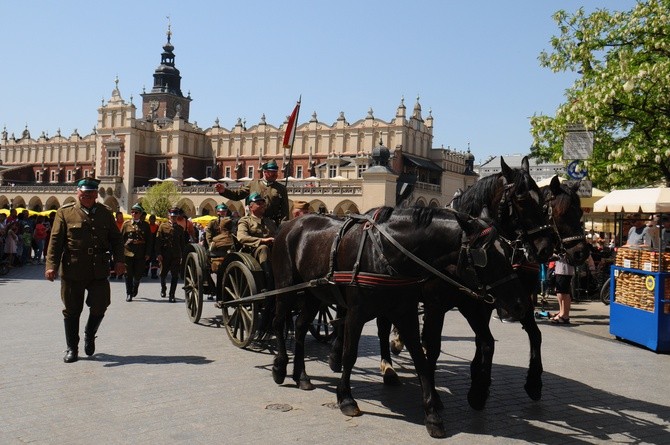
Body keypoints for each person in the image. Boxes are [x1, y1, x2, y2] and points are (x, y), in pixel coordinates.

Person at [45, 177, 126, 363]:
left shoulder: (105, 213)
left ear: (96, 194)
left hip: (99, 268)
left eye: (91, 194)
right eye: (84, 194)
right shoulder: (64, 213)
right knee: (72, 310)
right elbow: (55, 242)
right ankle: (72, 348)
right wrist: (51, 266)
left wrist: (119, 260)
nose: (87, 197)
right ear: (77, 193)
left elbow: (116, 239)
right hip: (73, 268)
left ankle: (90, 333)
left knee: (101, 304)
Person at [237, 193, 278, 332]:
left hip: (273, 252)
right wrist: (261, 240)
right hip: (252, 253)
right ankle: (268, 282)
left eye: (263, 203)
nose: (262, 205)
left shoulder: (270, 222)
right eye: (259, 203)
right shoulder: (245, 221)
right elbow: (241, 237)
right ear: (251, 206)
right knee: (264, 248)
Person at [214, 160, 289, 227]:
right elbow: (237, 195)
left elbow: (285, 210)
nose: (275, 174)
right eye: (272, 172)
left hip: (272, 224)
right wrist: (224, 191)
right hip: (253, 223)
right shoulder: (253, 184)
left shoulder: (281, 188)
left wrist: (283, 225)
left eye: (276, 172)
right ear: (265, 172)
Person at [120, 203, 152, 302]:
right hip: (128, 252)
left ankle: (136, 285)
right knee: (128, 274)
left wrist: (148, 253)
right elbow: (121, 239)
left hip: (140, 253)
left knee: (138, 274)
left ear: (140, 214)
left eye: (136, 212)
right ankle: (129, 293)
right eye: (132, 212)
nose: (133, 214)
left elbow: (149, 241)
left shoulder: (145, 225)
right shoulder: (126, 224)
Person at [155, 207, 186, 302]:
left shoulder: (180, 229)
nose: (174, 218)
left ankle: (172, 294)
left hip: (175, 255)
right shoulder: (162, 226)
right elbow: (158, 241)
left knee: (175, 276)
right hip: (165, 254)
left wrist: (182, 256)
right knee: (163, 274)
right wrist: (158, 253)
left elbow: (182, 244)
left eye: (175, 217)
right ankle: (163, 287)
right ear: (169, 216)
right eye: (172, 216)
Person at [551, 253, 574, 325]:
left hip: (564, 270)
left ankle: (564, 315)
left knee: (563, 292)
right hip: (561, 269)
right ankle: (562, 313)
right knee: (560, 292)